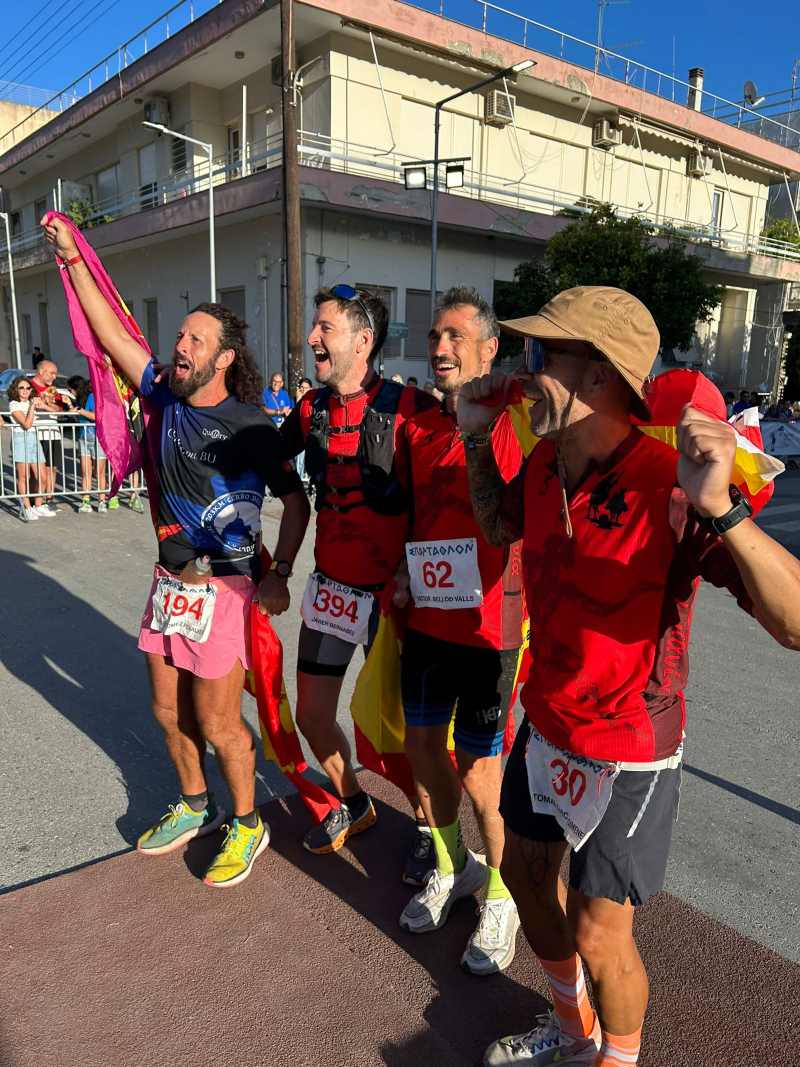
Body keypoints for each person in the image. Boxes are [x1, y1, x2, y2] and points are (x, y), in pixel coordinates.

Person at [455, 285, 800, 1066]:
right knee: (522, 874)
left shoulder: (673, 485)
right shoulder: (545, 461)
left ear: (601, 374)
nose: (522, 368)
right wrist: (478, 438)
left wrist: (724, 509)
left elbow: (794, 621)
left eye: (541, 354)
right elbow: (500, 524)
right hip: (546, 724)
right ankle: (573, 1029)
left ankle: (621, 1056)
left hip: (630, 746)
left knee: (598, 931)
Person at [42, 215, 311, 889]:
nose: (179, 344)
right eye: (181, 334)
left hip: (223, 588)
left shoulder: (252, 425)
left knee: (221, 722)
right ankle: (196, 803)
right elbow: (111, 334)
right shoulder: (162, 391)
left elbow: (298, 501)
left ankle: (248, 822)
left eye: (195, 339)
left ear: (223, 358)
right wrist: (74, 261)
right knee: (167, 711)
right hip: (170, 585)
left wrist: (277, 572)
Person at [280, 284, 436, 879]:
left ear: (362, 340)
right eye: (315, 327)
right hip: (331, 591)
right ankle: (354, 802)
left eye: (325, 327)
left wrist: (411, 571)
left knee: (402, 731)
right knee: (314, 714)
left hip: (393, 601)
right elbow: (267, 463)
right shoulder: (309, 409)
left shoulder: (409, 408)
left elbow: (440, 499)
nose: (313, 338)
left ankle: (429, 827)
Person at [393, 288, 523, 974]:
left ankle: (504, 893)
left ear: (488, 345)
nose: (439, 348)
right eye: (433, 336)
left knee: (480, 770)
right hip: (427, 621)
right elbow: (417, 518)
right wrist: (404, 574)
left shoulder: (518, 420)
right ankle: (456, 864)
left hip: (491, 627)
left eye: (453, 336)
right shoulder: (415, 429)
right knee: (420, 748)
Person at [29, 359, 73, 510]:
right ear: (41, 371)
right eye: (52, 373)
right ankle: (34, 499)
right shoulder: (29, 387)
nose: (54, 377)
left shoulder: (52, 389)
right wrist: (46, 406)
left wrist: (47, 405)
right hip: (36, 433)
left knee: (52, 467)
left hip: (53, 433)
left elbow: (60, 409)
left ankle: (49, 498)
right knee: (36, 470)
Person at [7, 375, 50, 521]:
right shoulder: (14, 404)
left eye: (28, 387)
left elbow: (54, 411)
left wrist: (43, 404)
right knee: (24, 477)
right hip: (21, 439)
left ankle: (38, 505)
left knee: (42, 476)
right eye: (21, 388)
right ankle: (27, 507)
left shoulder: (32, 401)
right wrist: (32, 406)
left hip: (33, 439)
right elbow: (26, 424)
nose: (25, 390)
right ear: (16, 389)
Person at [72, 378, 109, 514]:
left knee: (98, 472)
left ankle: (101, 501)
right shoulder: (89, 397)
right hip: (85, 437)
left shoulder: (98, 397)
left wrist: (81, 411)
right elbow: (78, 414)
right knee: (86, 472)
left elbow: (98, 416)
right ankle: (87, 502)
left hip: (97, 438)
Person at [293, 377, 312, 486]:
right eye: (302, 388)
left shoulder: (312, 400)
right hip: (299, 434)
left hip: (310, 434)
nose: (304, 390)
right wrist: (298, 400)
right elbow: (295, 417)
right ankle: (299, 481)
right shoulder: (296, 400)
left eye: (306, 388)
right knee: (299, 458)